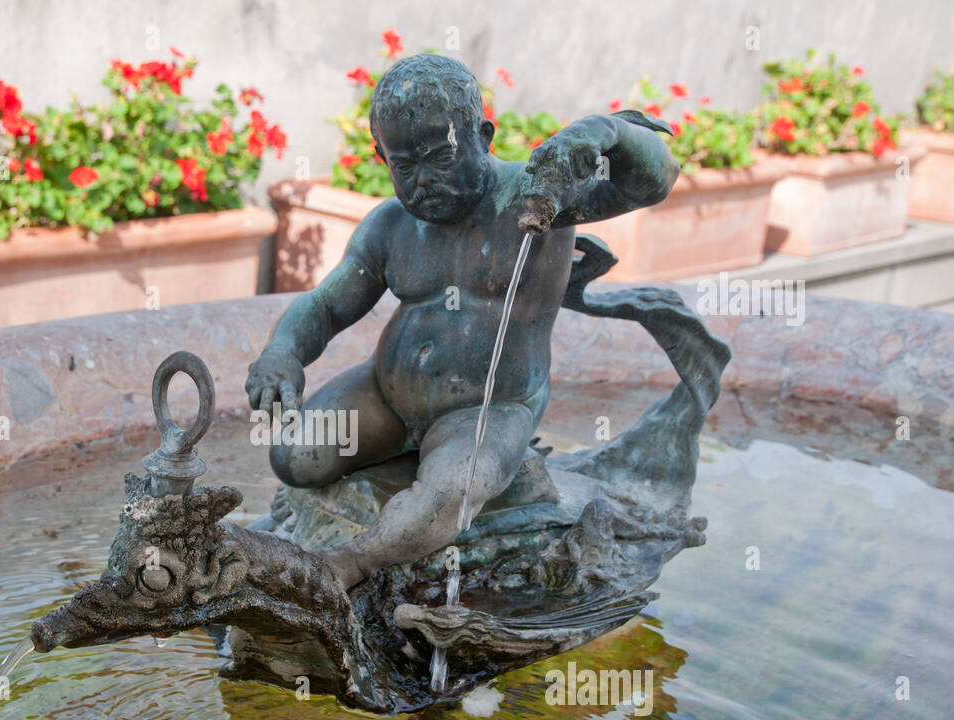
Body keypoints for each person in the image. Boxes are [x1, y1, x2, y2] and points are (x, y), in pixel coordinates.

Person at [245, 53, 679, 589]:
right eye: (404, 165)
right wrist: (282, 353)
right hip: (386, 393)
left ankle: (347, 566)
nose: (423, 180)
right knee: (294, 458)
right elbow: (328, 304)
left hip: (490, 403)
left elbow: (653, 183)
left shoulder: (540, 198)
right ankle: (405, 449)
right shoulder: (390, 225)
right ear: (382, 156)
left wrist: (608, 130)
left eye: (439, 157)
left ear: (484, 136)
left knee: (448, 492)